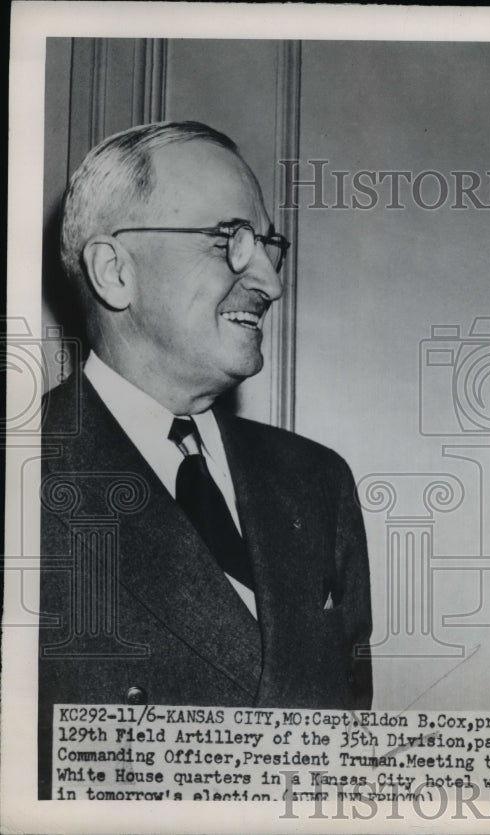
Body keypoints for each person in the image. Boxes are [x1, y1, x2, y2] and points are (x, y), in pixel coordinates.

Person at [38, 121, 372, 797]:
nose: (272, 281)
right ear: (115, 271)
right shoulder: (26, 473)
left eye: (269, 245)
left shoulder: (317, 483)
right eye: (232, 241)